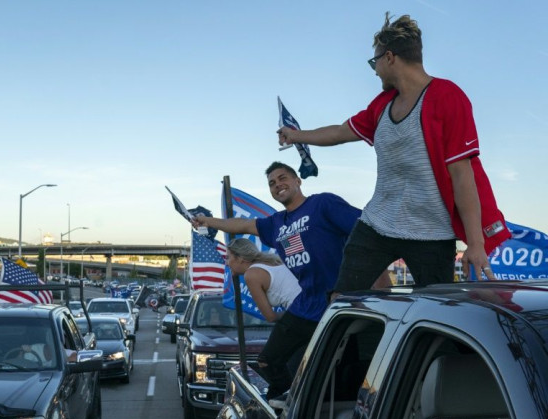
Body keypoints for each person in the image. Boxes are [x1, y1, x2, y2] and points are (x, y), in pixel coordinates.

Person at [277, 12, 510, 297]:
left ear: (389, 57)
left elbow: (463, 175)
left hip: (432, 235)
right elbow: (340, 132)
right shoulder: (382, 105)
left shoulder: (447, 96)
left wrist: (475, 244)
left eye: (374, 62)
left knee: (435, 315)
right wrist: (296, 135)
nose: (374, 70)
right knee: (343, 300)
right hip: (377, 226)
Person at [194, 162, 388, 398]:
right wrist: (208, 221)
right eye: (272, 183)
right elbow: (243, 224)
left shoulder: (322, 204)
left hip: (339, 305)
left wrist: (380, 283)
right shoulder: (276, 223)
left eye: (283, 178)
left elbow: (367, 233)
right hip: (305, 305)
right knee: (268, 359)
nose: (278, 185)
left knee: (340, 375)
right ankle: (283, 402)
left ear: (298, 181)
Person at [225, 238, 301, 323]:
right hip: (310, 307)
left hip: (304, 311)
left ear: (240, 258)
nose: (226, 263)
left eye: (228, 257)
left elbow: (271, 317)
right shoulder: (272, 262)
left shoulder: (251, 275)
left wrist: (294, 312)